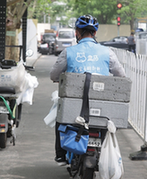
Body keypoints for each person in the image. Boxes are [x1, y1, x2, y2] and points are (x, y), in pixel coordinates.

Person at [50, 15, 126, 166]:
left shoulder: (69, 52)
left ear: (77, 32)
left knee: (60, 116)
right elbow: (121, 76)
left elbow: (53, 75)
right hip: (102, 105)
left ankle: (60, 155)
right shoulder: (108, 53)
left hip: (75, 105)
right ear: (95, 33)